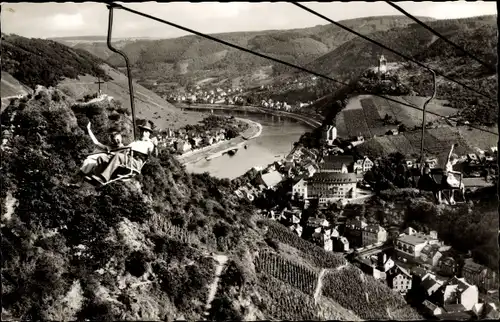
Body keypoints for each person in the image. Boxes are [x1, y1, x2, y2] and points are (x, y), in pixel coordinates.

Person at [92, 124, 157, 184]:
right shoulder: (135, 142)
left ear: (149, 134)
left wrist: (155, 146)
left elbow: (153, 154)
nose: (143, 133)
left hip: (136, 162)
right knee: (102, 158)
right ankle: (96, 177)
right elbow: (124, 149)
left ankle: (103, 178)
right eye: (142, 131)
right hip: (127, 158)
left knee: (118, 156)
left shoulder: (149, 144)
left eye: (145, 132)